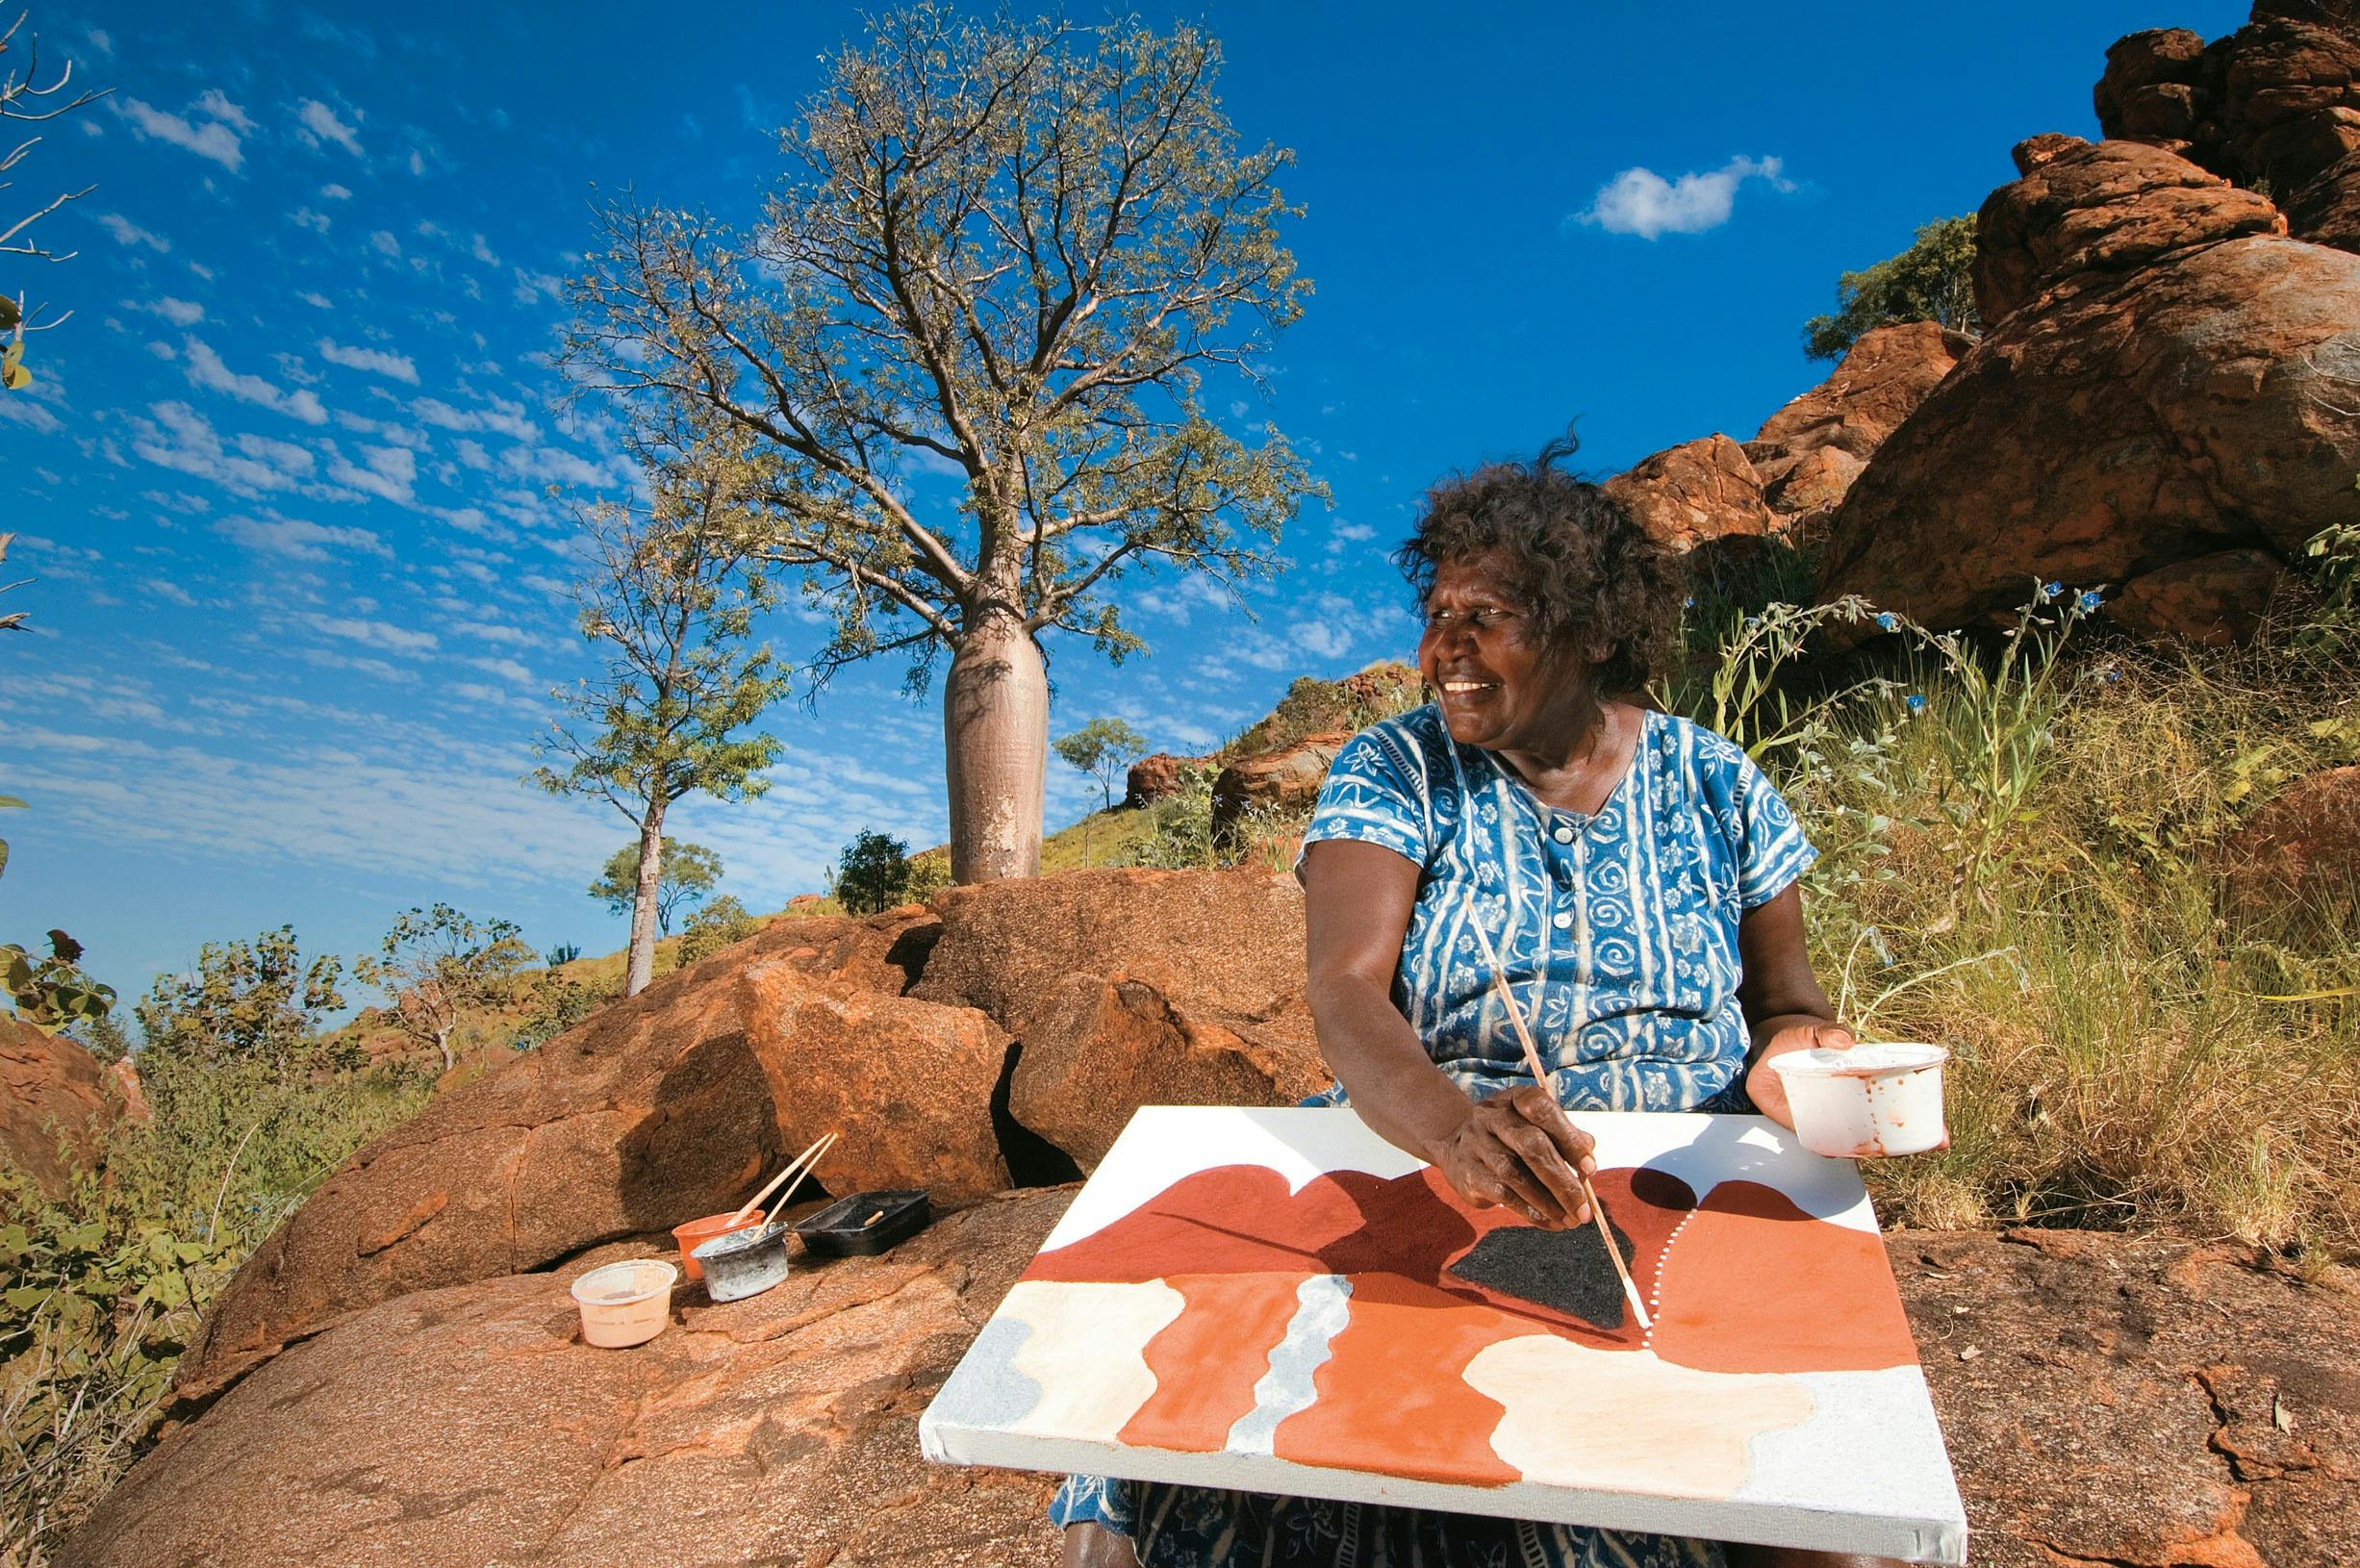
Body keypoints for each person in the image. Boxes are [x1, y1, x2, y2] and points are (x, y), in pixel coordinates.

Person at [1055, 438, 1897, 1568]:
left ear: (1588, 631)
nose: (1440, 649)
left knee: (1818, 1489)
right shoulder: (1396, 768)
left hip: (1684, 1170)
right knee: (1166, 1420)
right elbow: (1343, 988)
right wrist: (1456, 1130)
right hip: (1440, 1144)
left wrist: (1800, 1068)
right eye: (1434, 616)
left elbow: (1787, 1004)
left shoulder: (1715, 781)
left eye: (1483, 617)